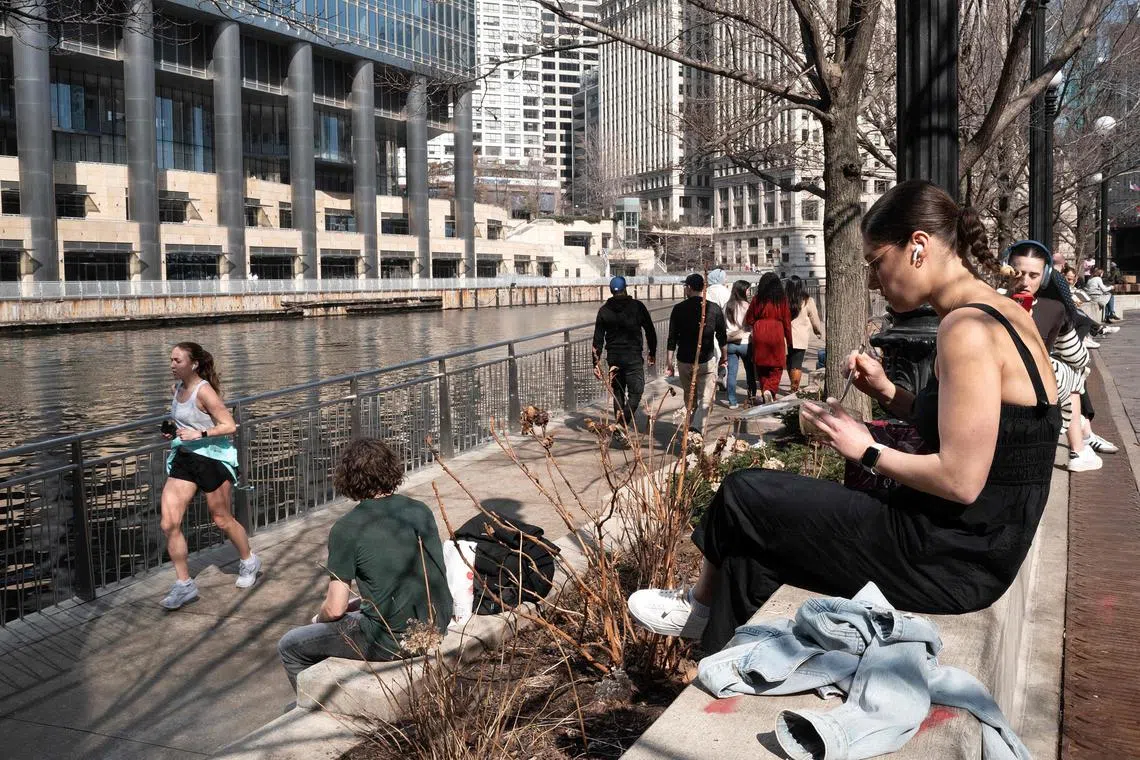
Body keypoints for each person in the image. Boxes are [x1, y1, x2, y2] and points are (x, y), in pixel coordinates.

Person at [628, 179, 1062, 653]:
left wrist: (865, 450)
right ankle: (723, 657)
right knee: (753, 553)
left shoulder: (965, 328)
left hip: (947, 556)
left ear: (918, 246)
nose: (874, 280)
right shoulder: (1004, 314)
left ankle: (699, 606)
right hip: (979, 548)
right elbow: (981, 432)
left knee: (743, 493)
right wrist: (888, 393)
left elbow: (961, 479)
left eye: (877, 263)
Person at [277, 438, 452, 691]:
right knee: (352, 612)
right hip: (438, 623)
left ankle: (313, 709)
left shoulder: (347, 528)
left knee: (291, 645)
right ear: (392, 469)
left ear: (347, 477)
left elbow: (335, 608)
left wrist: (319, 618)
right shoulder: (420, 509)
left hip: (391, 640)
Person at [160, 342, 260, 610]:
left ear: (193, 364)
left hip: (213, 458)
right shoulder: (177, 389)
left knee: (221, 519)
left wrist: (199, 434)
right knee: (169, 523)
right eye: (171, 359)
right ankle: (184, 585)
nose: (172, 364)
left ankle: (249, 560)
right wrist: (175, 431)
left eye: (177, 360)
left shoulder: (205, 392)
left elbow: (229, 426)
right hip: (185, 458)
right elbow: (186, 422)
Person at [1007, 243, 1116, 468]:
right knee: (1075, 372)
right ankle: (1078, 448)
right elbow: (1076, 357)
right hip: (1024, 382)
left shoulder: (990, 300)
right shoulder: (1053, 308)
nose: (1025, 281)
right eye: (1019, 273)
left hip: (1006, 379)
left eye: (1033, 275)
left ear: (1044, 277)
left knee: (1071, 366)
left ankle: (1083, 439)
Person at [591, 276, 658, 431]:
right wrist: (652, 352)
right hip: (632, 356)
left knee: (618, 391)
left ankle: (620, 428)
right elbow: (650, 331)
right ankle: (621, 425)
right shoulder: (637, 307)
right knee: (637, 391)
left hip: (613, 356)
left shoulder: (604, 310)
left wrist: (595, 363)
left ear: (611, 291)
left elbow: (598, 339)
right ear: (625, 288)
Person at [666, 273, 727, 434]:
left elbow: (672, 338)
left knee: (689, 396)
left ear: (689, 288)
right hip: (706, 359)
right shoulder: (713, 308)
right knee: (707, 398)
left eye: (685, 286)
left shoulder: (678, 309)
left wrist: (669, 362)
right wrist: (724, 357)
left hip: (684, 360)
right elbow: (722, 336)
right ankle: (697, 428)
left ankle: (691, 427)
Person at [744, 272, 793, 404]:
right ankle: (770, 390)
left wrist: (756, 325)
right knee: (777, 366)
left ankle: (766, 391)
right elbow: (787, 322)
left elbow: (749, 318)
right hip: (776, 332)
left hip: (760, 333)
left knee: (762, 366)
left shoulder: (757, 299)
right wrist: (789, 341)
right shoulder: (782, 300)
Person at [784, 276, 824, 394]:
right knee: (797, 364)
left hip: (785, 336)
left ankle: (793, 386)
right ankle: (794, 389)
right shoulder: (807, 300)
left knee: (789, 363)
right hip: (800, 337)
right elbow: (814, 319)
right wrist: (817, 331)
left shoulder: (783, 300)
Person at [723, 279, 757, 409]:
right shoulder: (747, 306)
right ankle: (751, 396)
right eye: (747, 289)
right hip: (745, 342)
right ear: (743, 290)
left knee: (732, 373)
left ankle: (732, 401)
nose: (748, 292)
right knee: (750, 371)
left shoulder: (727, 305)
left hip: (730, 342)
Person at [707, 269, 732, 390]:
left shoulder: (706, 292)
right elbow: (728, 312)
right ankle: (723, 375)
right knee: (723, 354)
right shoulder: (726, 293)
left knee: (712, 356)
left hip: (708, 328)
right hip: (722, 328)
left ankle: (713, 379)